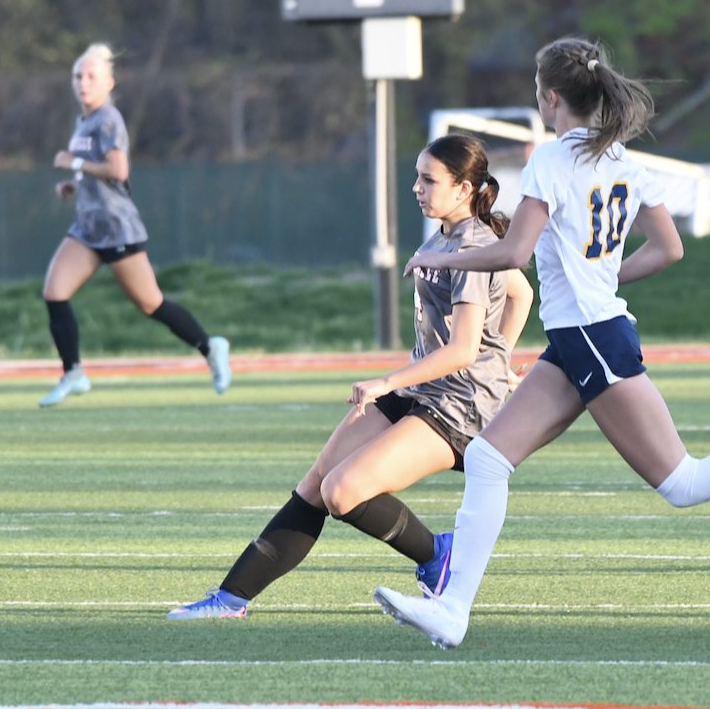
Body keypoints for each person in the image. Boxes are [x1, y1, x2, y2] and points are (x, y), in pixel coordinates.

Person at [374, 36, 710, 649]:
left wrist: (438, 258)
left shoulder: (551, 160)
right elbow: (669, 248)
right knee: (489, 459)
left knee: (682, 482)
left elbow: (514, 253)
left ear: (551, 97)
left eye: (538, 92)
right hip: (580, 338)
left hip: (592, 337)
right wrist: (602, 277)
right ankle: (453, 610)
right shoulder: (623, 160)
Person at [168, 134, 534, 619]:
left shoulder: (473, 243)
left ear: (464, 188)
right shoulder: (449, 235)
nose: (417, 188)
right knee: (317, 482)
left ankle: (437, 555)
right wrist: (500, 360)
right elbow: (521, 293)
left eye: (429, 180)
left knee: (342, 492)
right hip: (424, 389)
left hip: (457, 408)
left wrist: (397, 381)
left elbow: (464, 349)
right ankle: (230, 599)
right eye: (417, 177)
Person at [38, 42, 231, 406]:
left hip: (116, 228)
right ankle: (73, 373)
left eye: (91, 76)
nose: (83, 83)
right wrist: (74, 184)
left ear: (109, 82)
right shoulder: (84, 122)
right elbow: (97, 173)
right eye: (78, 76)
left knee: (150, 303)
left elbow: (118, 170)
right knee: (55, 292)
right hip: (87, 228)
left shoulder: (108, 119)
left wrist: (74, 164)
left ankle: (210, 346)